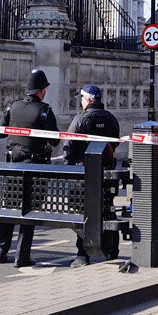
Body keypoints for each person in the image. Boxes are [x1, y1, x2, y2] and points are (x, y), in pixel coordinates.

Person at [0, 68, 57, 267]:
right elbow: (55, 141)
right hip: (34, 166)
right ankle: (21, 256)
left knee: (9, 208)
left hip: (13, 164)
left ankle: (1, 251)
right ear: (41, 90)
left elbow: (0, 133)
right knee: (28, 211)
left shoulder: (12, 106)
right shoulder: (45, 110)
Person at [65, 84, 122, 266]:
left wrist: (70, 166)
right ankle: (113, 250)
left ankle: (82, 254)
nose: (80, 102)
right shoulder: (111, 119)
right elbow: (115, 143)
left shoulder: (80, 119)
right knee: (108, 210)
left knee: (84, 213)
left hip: (85, 174)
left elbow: (69, 147)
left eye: (81, 98)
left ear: (88, 100)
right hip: (107, 174)